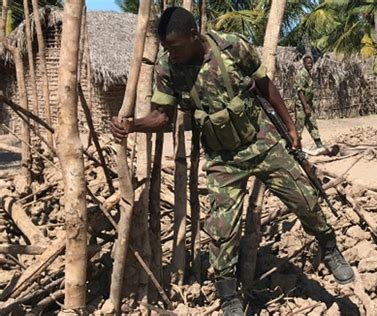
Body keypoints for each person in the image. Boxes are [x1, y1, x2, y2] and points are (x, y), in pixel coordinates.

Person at [110, 7, 354, 315]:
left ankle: (329, 247)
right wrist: (132, 124)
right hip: (224, 160)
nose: (170, 53)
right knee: (223, 230)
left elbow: (265, 84)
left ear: (193, 35)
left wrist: (290, 125)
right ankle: (228, 294)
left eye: (175, 46)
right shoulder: (167, 69)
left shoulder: (232, 46)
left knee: (305, 199)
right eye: (166, 47)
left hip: (262, 142)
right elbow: (161, 117)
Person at [294, 55, 323, 148]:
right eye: (308, 63)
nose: (310, 65)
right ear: (304, 63)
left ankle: (319, 144)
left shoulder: (308, 73)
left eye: (311, 63)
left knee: (312, 123)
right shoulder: (302, 74)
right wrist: (305, 107)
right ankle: (296, 146)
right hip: (301, 105)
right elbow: (300, 91)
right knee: (299, 126)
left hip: (308, 104)